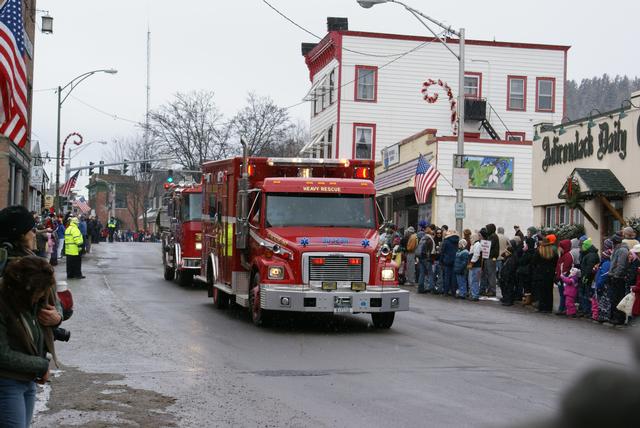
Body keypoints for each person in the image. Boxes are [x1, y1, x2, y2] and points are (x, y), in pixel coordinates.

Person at [0, 256, 60, 427]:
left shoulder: (36, 290)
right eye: (39, 294)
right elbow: (2, 354)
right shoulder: (4, 302)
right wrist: (41, 365)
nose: (42, 298)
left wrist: (57, 318)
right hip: (6, 381)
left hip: (28, 379)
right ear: (25, 290)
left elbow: (56, 303)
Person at [531, 234, 558, 313]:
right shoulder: (553, 252)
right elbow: (555, 262)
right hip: (550, 273)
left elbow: (533, 262)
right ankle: (548, 307)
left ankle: (542, 307)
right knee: (549, 291)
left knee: (541, 291)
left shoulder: (539, 251)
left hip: (540, 273)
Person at [608, 234, 629, 325]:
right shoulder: (618, 249)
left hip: (619, 278)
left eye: (613, 242)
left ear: (615, 242)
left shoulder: (622, 250)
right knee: (615, 298)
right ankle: (615, 317)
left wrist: (616, 275)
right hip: (615, 276)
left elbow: (621, 265)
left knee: (618, 298)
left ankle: (619, 318)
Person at [579, 238, 599, 316]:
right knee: (586, 294)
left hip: (589, 278)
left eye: (583, 245)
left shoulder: (591, 255)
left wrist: (586, 277)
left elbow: (589, 268)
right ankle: (586, 310)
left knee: (587, 295)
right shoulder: (589, 254)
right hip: (587, 277)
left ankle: (588, 311)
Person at [594, 241, 613, 322]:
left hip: (604, 286)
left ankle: (604, 317)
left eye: (603, 256)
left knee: (604, 301)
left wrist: (598, 285)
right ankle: (602, 316)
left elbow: (603, 276)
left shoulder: (606, 264)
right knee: (602, 301)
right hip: (603, 285)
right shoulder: (604, 263)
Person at [555, 240, 573, 315]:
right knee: (562, 294)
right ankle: (563, 308)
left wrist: (561, 277)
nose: (559, 249)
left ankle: (562, 309)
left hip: (563, 278)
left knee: (563, 294)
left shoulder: (567, 256)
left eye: (560, 247)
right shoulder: (563, 255)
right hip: (561, 278)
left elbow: (565, 268)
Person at [440, 230, 460, 297]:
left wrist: (441, 261)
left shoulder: (446, 241)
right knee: (453, 277)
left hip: (447, 261)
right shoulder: (457, 241)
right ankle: (453, 292)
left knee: (447, 277)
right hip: (455, 260)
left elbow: (442, 252)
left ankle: (446, 291)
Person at [416, 224, 435, 294]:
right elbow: (432, 251)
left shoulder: (423, 238)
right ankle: (431, 288)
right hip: (427, 259)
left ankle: (420, 288)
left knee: (422, 273)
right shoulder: (430, 240)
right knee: (430, 273)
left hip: (421, 257)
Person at [499, 240, 519, 306]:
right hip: (506, 275)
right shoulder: (508, 257)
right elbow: (502, 255)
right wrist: (505, 251)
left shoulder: (512, 259)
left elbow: (510, 269)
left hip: (509, 276)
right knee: (505, 287)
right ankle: (506, 299)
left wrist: (506, 275)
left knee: (509, 288)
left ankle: (509, 300)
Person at [517, 237, 536, 306]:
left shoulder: (528, 253)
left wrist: (522, 251)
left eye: (526, 244)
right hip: (529, 271)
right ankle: (528, 298)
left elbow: (521, 261)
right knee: (527, 285)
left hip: (527, 272)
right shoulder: (533, 251)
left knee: (527, 285)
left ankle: (528, 299)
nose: (525, 245)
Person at [483, 223, 499, 297]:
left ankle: (492, 290)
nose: (486, 230)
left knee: (491, 274)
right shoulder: (492, 236)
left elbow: (489, 245)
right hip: (489, 257)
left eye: (487, 229)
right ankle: (490, 289)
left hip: (491, 257)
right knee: (489, 274)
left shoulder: (493, 236)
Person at [467, 232, 483, 301]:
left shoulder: (477, 245)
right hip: (474, 266)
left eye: (471, 238)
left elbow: (476, 255)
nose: (470, 239)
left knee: (474, 281)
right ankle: (473, 294)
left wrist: (471, 263)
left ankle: (475, 295)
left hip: (475, 266)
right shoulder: (475, 245)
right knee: (472, 280)